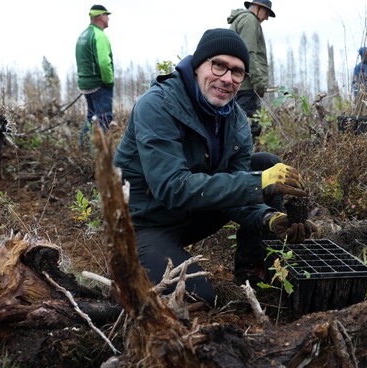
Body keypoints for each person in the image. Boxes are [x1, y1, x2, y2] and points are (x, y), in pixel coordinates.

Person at [113, 28, 317, 305]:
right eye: (218, 65)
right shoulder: (158, 105)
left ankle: (251, 276)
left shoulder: (235, 120)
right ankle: (138, 263)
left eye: (237, 72)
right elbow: (172, 187)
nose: (226, 79)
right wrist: (258, 183)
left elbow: (233, 189)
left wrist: (268, 218)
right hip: (142, 223)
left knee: (266, 163)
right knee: (196, 296)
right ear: (198, 66)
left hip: (189, 215)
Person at [227, 1, 275, 139]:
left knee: (237, 126)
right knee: (250, 130)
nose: (266, 18)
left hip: (240, 85)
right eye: (266, 13)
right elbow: (249, 53)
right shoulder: (249, 20)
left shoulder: (240, 19)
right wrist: (258, 82)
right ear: (259, 8)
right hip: (247, 86)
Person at [75, 4, 114, 148]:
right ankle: (98, 153)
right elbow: (104, 63)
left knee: (91, 118)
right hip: (99, 85)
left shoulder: (83, 35)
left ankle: (83, 147)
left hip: (86, 85)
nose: (108, 18)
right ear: (100, 16)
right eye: (106, 15)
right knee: (104, 118)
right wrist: (109, 81)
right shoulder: (99, 35)